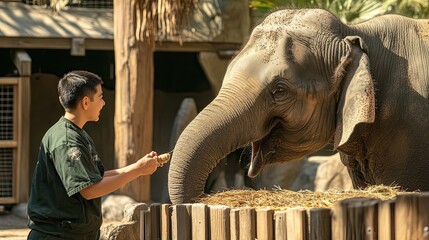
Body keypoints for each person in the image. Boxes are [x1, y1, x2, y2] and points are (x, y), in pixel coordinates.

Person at [27, 70, 160, 239]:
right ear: (85, 102)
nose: (103, 103)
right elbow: (89, 190)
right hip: (58, 236)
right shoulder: (67, 140)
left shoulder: (77, 134)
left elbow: (95, 177)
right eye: (100, 97)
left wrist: (137, 167)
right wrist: (137, 171)